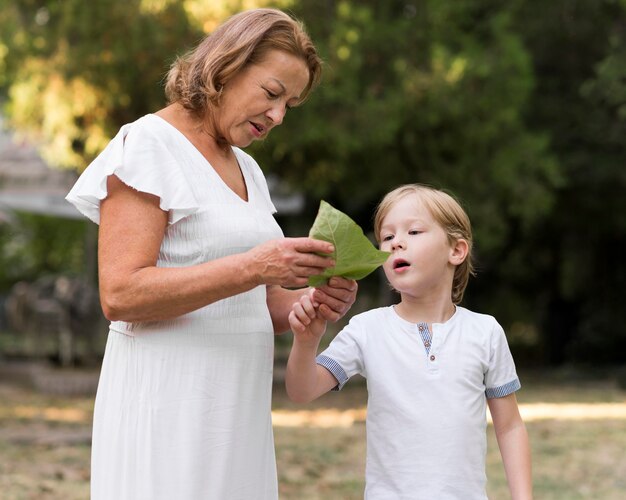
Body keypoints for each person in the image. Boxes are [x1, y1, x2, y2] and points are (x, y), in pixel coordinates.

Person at [65, 8, 358, 500]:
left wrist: (310, 302)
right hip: (168, 406)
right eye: (271, 93)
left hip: (235, 410)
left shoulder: (249, 169)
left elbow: (261, 304)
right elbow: (120, 293)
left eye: (290, 104)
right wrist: (256, 266)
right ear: (226, 66)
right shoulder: (148, 145)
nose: (278, 115)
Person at [286, 184, 533, 499]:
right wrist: (306, 343)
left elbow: (510, 427)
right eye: (386, 238)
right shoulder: (367, 329)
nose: (396, 243)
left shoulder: (485, 332)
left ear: (456, 250)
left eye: (414, 232)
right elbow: (302, 391)